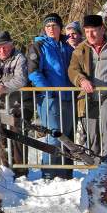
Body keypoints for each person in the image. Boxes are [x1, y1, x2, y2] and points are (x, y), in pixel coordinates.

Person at [69, 15, 107, 156]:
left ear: (102, 29)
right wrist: (82, 80)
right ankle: (95, 165)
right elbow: (72, 69)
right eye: (87, 31)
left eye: (93, 31)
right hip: (89, 98)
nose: (90, 35)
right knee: (92, 135)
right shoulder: (81, 49)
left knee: (106, 123)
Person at [27, 13, 74, 179]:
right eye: (48, 26)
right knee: (53, 136)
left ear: (60, 28)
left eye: (54, 26)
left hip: (69, 98)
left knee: (67, 137)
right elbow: (33, 73)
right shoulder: (38, 46)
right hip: (49, 99)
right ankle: (49, 173)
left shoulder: (67, 46)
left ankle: (66, 173)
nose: (51, 29)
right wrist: (49, 90)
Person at [0, 31, 32, 178]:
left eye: (5, 47)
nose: (2, 50)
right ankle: (4, 170)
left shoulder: (19, 58)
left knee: (17, 132)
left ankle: (21, 171)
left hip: (20, 103)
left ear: (11, 45)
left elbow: (20, 80)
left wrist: (1, 88)